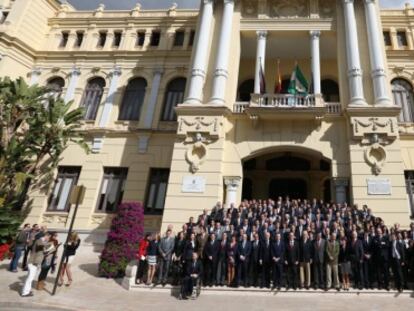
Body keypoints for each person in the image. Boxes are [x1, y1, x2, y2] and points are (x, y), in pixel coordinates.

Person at [21, 232, 50, 297]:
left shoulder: (41, 242)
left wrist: (47, 251)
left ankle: (26, 290)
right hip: (33, 262)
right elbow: (40, 245)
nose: (48, 238)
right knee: (30, 278)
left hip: (35, 263)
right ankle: (25, 293)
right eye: (48, 237)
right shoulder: (39, 240)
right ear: (46, 236)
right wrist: (48, 244)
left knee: (30, 278)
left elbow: (41, 250)